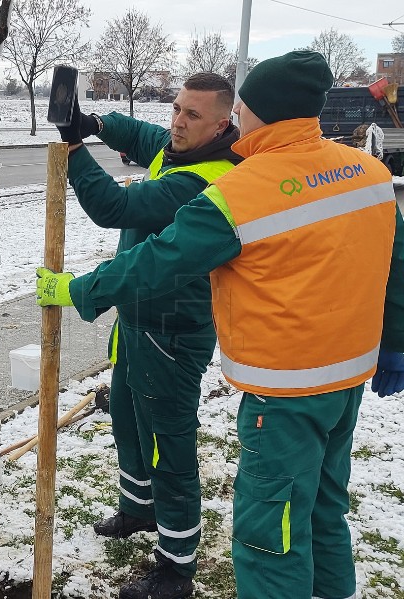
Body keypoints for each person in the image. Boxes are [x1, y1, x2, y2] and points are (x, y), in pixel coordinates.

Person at [37, 51, 404, 599]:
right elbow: (396, 266)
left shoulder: (241, 190)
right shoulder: (367, 172)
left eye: (242, 106)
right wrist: (395, 343)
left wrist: (79, 289)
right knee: (323, 509)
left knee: (268, 537)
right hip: (347, 379)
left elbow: (156, 260)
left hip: (284, 389)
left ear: (252, 113)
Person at [50, 73, 241, 598]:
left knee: (169, 439)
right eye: (176, 108)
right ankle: (138, 508)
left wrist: (74, 148)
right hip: (139, 319)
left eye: (192, 115)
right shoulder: (182, 148)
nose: (177, 121)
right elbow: (143, 136)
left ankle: (177, 561)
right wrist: (96, 124)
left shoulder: (206, 178)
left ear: (222, 125)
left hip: (173, 330)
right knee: (130, 420)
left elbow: (115, 209)